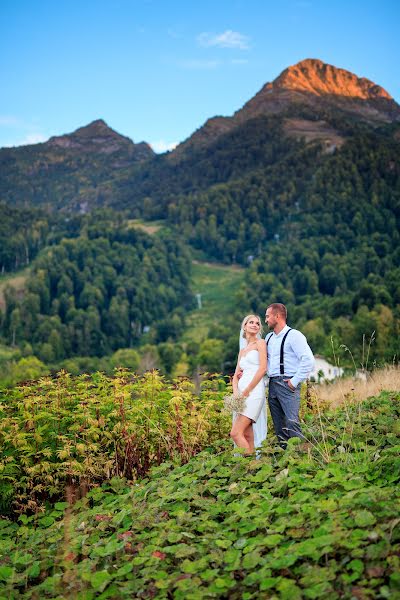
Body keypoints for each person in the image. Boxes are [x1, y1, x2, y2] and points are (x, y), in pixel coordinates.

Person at [265, 303, 314, 448]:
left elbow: (308, 360)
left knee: (292, 423)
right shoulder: (268, 338)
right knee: (279, 426)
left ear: (277, 316)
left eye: (268, 316)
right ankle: (285, 461)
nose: (266, 320)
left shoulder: (294, 335)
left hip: (288, 383)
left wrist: (295, 381)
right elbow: (264, 362)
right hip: (272, 383)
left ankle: (301, 459)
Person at [231, 314, 267, 454]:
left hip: (254, 392)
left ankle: (246, 466)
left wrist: (247, 391)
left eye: (257, 323)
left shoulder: (260, 343)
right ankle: (253, 469)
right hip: (241, 395)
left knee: (235, 433)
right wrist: (236, 393)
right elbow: (235, 376)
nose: (254, 325)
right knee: (247, 434)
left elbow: (263, 368)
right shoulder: (242, 351)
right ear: (244, 327)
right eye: (251, 322)